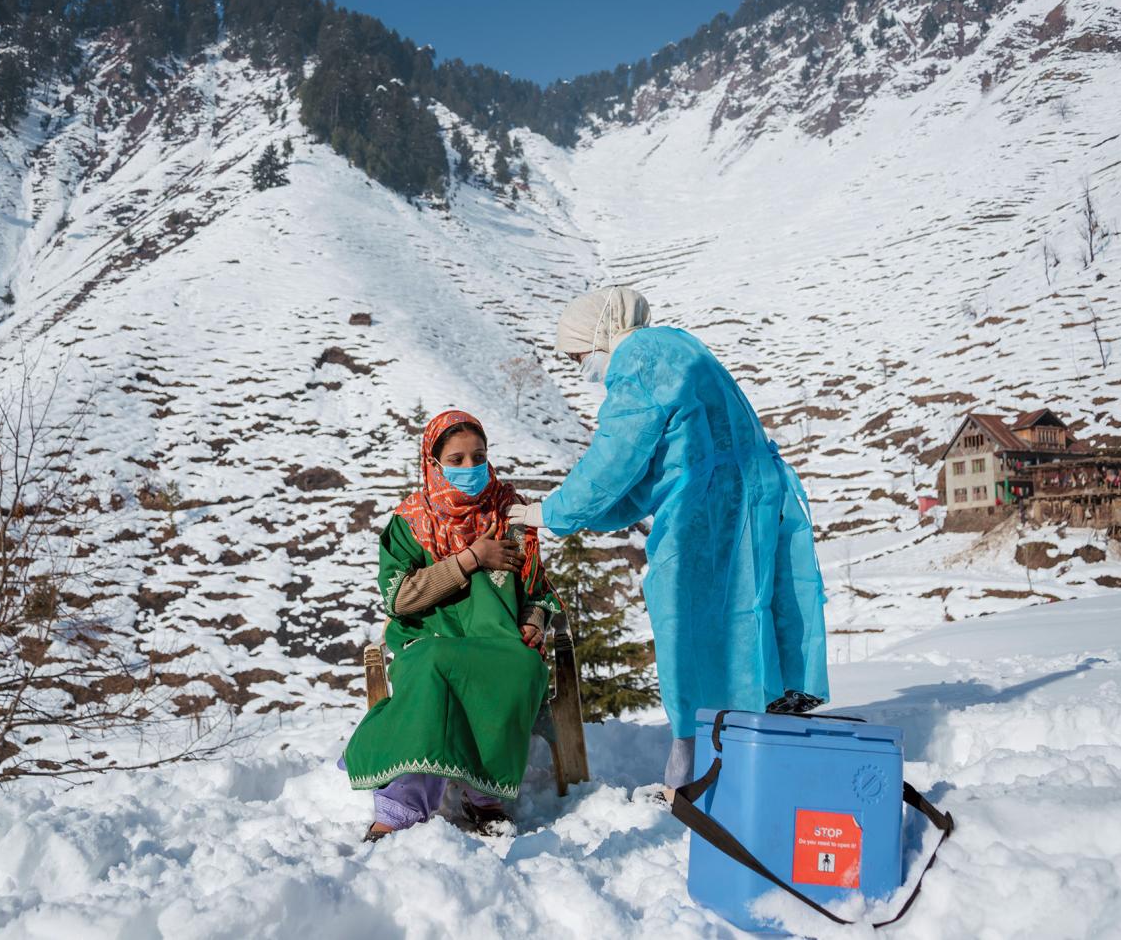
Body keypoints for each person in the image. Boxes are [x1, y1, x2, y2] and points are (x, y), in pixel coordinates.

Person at [508, 286, 829, 788]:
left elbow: (615, 458)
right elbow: (652, 474)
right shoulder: (676, 346)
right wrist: (577, 515)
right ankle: (744, 757)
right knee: (749, 622)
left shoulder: (639, 358)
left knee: (696, 635)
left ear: (599, 334)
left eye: (578, 356)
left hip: (712, 513)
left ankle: (705, 773)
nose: (582, 367)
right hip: (745, 497)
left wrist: (549, 511)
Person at [345, 410, 562, 840]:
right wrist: (471, 559)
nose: (470, 467)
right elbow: (399, 597)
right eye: (457, 459)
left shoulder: (511, 515)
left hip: (496, 642)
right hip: (429, 640)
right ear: (433, 463)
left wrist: (534, 621)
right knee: (435, 664)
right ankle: (404, 804)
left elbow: (537, 589)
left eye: (478, 456)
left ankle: (485, 795)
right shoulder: (411, 522)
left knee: (522, 666)